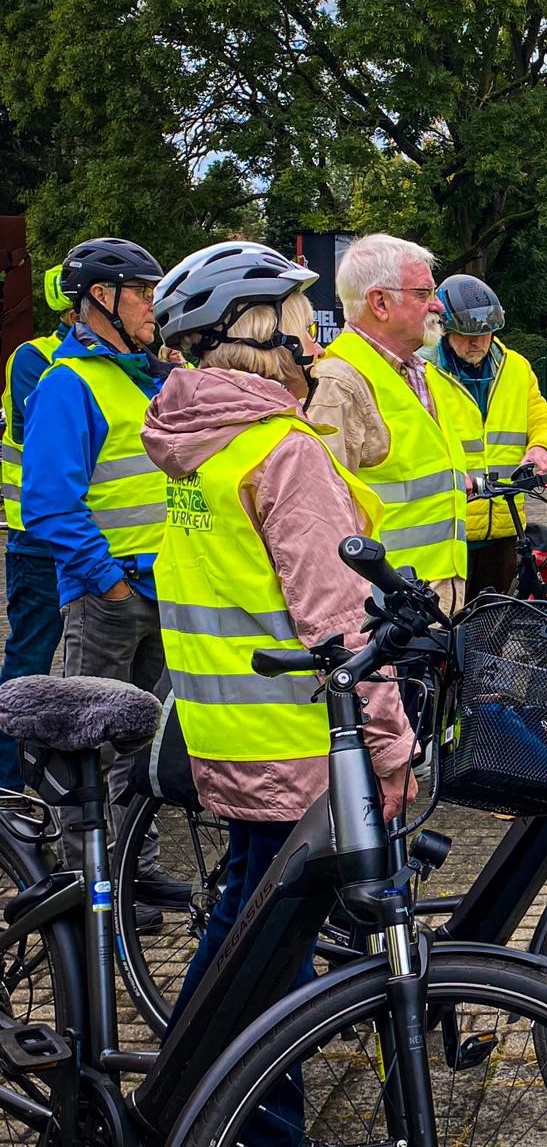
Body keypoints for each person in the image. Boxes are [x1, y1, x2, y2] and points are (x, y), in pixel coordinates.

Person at [145, 239, 416, 1143]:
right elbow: (341, 626)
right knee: (271, 954)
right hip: (299, 745)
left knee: (246, 930)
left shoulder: (194, 445)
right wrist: (392, 746)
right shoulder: (280, 453)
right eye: (307, 329)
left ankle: (186, 1095)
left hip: (228, 737)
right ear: (265, 335)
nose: (316, 346)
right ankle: (249, 1122)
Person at [23, 237, 189, 915]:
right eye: (142, 292)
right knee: (89, 740)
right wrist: (109, 582)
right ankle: (87, 882)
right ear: (101, 297)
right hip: (108, 594)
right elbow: (48, 504)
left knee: (142, 741)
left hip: (160, 588)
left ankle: (134, 870)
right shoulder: (69, 383)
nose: (154, 304)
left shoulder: (139, 374)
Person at [305, 234, 473, 611]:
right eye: (423, 293)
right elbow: (322, 519)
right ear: (379, 302)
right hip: (386, 612)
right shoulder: (340, 383)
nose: (438, 306)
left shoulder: (419, 372)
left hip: (433, 600)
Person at [421, 274, 547, 599]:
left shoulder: (515, 367)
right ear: (443, 329)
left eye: (485, 333)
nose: (478, 342)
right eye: (467, 334)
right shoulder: (422, 372)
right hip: (447, 529)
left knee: (492, 627)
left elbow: (544, 419)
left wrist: (542, 448)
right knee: (445, 632)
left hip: (503, 525)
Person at [0, 264, 74, 793]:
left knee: (80, 669)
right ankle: (7, 783)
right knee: (30, 661)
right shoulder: (35, 359)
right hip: (38, 540)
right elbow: (53, 432)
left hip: (93, 541)